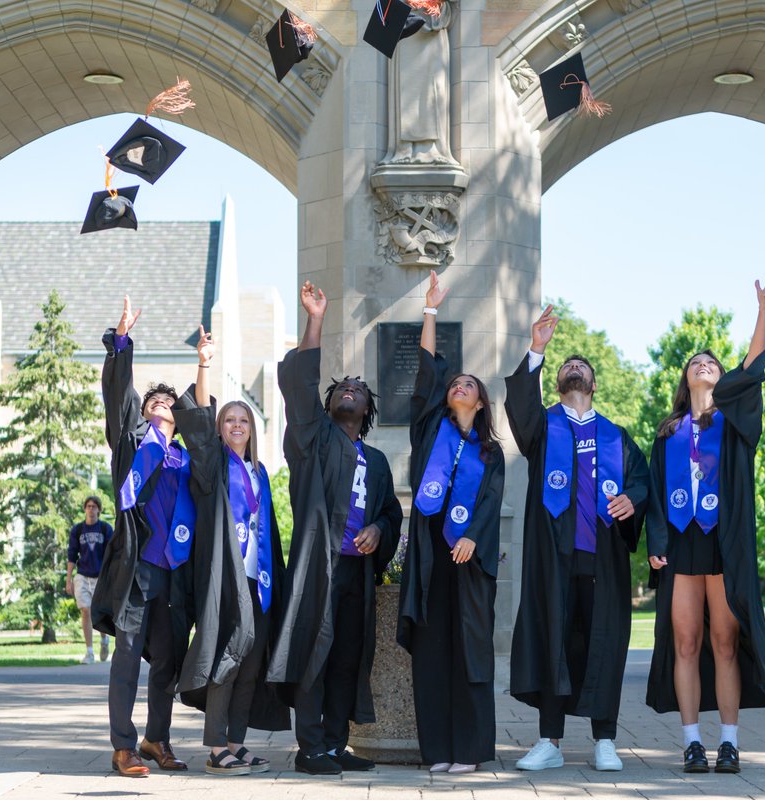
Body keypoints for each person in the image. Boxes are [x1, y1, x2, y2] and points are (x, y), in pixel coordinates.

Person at [266, 281, 403, 776]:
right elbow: (300, 387)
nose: (349, 388)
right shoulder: (313, 440)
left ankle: (335, 741)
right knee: (315, 654)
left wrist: (379, 534)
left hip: (356, 574)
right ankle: (309, 749)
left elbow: (390, 512)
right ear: (328, 406)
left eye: (358, 389)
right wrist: (316, 319)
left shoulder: (379, 461)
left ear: (367, 409)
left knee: (349, 657)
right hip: (318, 569)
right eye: (341, 387)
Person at [505, 305, 649, 773]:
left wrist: (631, 498)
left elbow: (642, 482)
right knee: (555, 642)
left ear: (593, 385)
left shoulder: (617, 437)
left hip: (601, 559)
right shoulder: (543, 428)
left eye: (581, 367)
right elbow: (520, 412)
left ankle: (605, 739)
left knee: (603, 644)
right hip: (554, 558)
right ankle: (550, 741)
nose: (574, 368)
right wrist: (538, 350)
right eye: (567, 366)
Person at [645, 274, 765, 776]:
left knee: (724, 642)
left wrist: (762, 311)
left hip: (723, 544)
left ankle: (728, 741)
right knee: (685, 643)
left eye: (712, 363)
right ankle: (690, 742)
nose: (704, 364)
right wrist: (656, 541)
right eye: (696, 363)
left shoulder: (736, 423)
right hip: (681, 545)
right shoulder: (667, 431)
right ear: (686, 379)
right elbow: (656, 495)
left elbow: (752, 368)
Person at [172, 326, 291, 776]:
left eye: (243, 421)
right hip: (226, 579)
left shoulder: (258, 472)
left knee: (252, 659)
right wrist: (204, 363)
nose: (236, 425)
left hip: (257, 580)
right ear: (220, 431)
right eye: (229, 421)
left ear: (252, 430)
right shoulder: (212, 464)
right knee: (229, 655)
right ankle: (216, 746)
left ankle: (237, 743)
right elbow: (199, 420)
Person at [398, 271, 504, 774]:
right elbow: (425, 370)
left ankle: (472, 749)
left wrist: (473, 537)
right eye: (455, 383)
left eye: (468, 384)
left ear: (480, 401)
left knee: (469, 655)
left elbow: (490, 502)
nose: (459, 385)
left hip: (467, 560)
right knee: (432, 654)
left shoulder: (490, 452)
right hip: (429, 556)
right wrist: (430, 310)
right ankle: (437, 751)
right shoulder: (429, 431)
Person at [90, 296, 196, 778]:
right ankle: (122, 746)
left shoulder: (186, 458)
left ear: (178, 418)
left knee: (167, 661)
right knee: (129, 657)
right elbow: (118, 397)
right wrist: (123, 341)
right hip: (137, 568)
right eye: (152, 402)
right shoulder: (132, 443)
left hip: (175, 572)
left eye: (167, 404)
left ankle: (157, 739)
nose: (160, 406)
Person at [67, 496, 114, 664]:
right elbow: (72, 555)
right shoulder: (78, 530)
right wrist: (68, 579)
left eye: (94, 506)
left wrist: (111, 577)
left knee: (99, 613)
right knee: (86, 611)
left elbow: (112, 554)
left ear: (99, 510)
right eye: (88, 506)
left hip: (100, 577)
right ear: (84, 509)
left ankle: (104, 639)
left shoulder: (105, 529)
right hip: (82, 575)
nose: (91, 509)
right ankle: (89, 652)